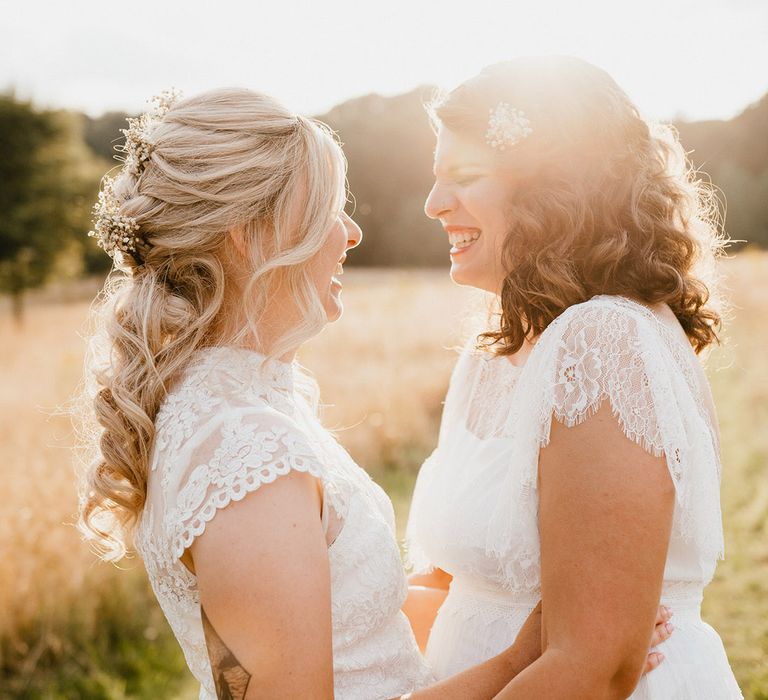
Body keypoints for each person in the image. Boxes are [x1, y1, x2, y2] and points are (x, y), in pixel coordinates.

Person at [77, 87, 672, 699]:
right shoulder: (244, 453)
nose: (352, 233)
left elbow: (344, 633)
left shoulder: (240, 410)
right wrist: (520, 658)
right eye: (327, 211)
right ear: (248, 237)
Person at [405, 56, 743, 698]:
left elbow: (596, 670)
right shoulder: (490, 354)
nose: (433, 204)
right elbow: (457, 586)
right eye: (435, 178)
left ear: (554, 189)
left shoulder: (605, 342)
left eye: (464, 176)